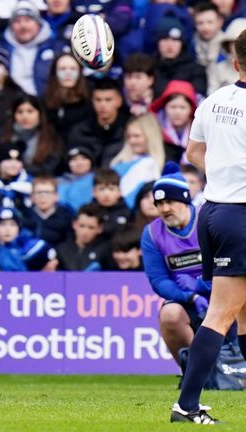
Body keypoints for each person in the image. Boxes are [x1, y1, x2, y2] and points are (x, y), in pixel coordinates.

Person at [169, 28, 246, 425]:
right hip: (241, 215)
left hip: (213, 211)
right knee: (221, 314)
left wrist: (222, 173)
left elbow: (193, 152)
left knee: (243, 314)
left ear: (236, 63)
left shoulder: (214, 101)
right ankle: (186, 405)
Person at [141, 168, 207, 370]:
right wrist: (190, 296)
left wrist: (201, 285)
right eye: (159, 204)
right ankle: (195, 374)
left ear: (185, 200)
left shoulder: (208, 221)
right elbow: (158, 280)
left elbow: (230, 264)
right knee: (170, 315)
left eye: (170, 202)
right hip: (184, 296)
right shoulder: (152, 233)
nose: (165, 209)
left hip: (221, 292)